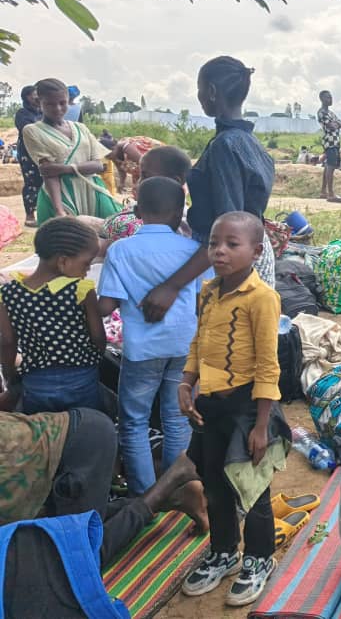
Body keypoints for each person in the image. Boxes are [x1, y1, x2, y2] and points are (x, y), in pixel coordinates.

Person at [178, 212, 289, 606]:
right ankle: (224, 551)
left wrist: (261, 425)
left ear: (257, 252)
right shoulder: (207, 291)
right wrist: (186, 382)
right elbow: (198, 343)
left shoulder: (262, 299)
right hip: (211, 404)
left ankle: (258, 559)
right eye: (213, 243)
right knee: (214, 484)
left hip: (247, 408)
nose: (219, 251)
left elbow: (267, 365)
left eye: (231, 244)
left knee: (251, 487)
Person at [0, 409, 207, 617]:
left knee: (80, 559)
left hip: (82, 448)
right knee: (50, 540)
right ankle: (174, 498)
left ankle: (174, 477)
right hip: (80, 435)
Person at [140, 56, 276, 325]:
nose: (199, 96)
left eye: (200, 89)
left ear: (211, 91)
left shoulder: (225, 146)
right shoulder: (252, 144)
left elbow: (227, 234)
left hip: (234, 263)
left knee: (228, 342)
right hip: (250, 250)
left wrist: (172, 286)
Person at [98, 177, 212, 496]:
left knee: (134, 423)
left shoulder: (120, 251)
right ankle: (179, 492)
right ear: (180, 213)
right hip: (184, 347)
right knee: (177, 419)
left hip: (141, 352)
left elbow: (106, 305)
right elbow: (205, 301)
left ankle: (145, 497)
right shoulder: (193, 252)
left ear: (136, 211)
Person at [0, 218, 105, 414]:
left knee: (45, 433)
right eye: (86, 264)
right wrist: (95, 358)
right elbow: (98, 337)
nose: (87, 271)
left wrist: (10, 375)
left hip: (36, 384)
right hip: (81, 379)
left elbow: (7, 342)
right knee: (83, 427)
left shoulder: (8, 294)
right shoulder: (81, 289)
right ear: (63, 261)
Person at [21, 78, 118, 224]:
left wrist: (62, 168)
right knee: (67, 242)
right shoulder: (32, 131)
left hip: (92, 189)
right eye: (50, 104)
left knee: (109, 234)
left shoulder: (81, 128)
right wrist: (59, 210)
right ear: (40, 103)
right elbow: (48, 174)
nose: (58, 108)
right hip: (60, 195)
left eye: (62, 103)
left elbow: (98, 166)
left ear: (69, 101)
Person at [101, 145, 193, 244]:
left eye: (145, 176)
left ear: (174, 181)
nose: (138, 183)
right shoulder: (149, 209)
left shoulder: (180, 225)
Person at [14, 85, 43, 227]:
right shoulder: (22, 113)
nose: (37, 96)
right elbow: (27, 130)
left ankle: (45, 213)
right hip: (28, 153)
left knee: (47, 182)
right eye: (34, 94)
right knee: (31, 183)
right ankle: (30, 215)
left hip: (43, 152)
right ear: (27, 97)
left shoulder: (43, 112)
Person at [316, 90, 341, 203]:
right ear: (322, 99)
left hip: (335, 142)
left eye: (331, 97)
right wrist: (337, 124)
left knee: (328, 165)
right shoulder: (321, 112)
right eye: (328, 98)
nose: (330, 99)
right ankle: (331, 194)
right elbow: (332, 126)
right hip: (330, 142)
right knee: (331, 166)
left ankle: (324, 191)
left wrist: (337, 124)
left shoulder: (330, 113)